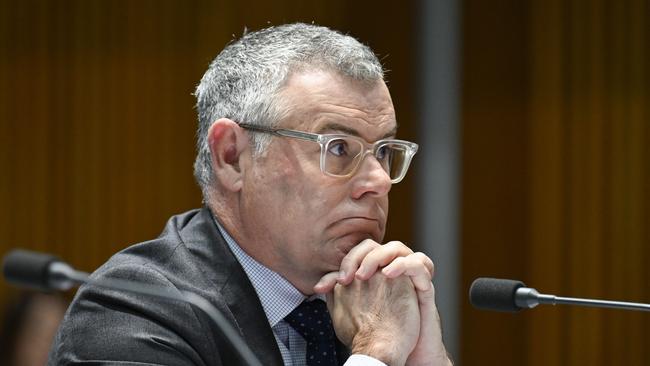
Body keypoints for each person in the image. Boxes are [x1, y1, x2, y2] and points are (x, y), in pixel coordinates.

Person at [48, 23, 452, 366]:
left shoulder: (370, 301)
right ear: (232, 157)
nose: (379, 181)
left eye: (383, 151)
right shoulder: (132, 311)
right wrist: (375, 355)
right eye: (339, 148)